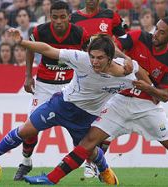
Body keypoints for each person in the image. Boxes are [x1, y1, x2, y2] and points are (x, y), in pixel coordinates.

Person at [22, 17, 168, 187]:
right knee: (89, 141)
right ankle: (51, 178)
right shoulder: (139, 36)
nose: (156, 34)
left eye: (162, 32)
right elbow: (113, 46)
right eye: (156, 28)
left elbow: (164, 96)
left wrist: (147, 87)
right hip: (120, 101)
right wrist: (126, 58)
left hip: (147, 107)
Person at [0, 30, 145, 186]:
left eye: (99, 58)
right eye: (92, 57)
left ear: (110, 58)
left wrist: (137, 71)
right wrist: (22, 42)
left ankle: (104, 169)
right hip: (62, 104)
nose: (94, 62)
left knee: (89, 152)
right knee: (26, 130)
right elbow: (47, 50)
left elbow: (145, 78)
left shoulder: (127, 72)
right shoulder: (81, 59)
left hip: (86, 116)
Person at [12, 1, 90, 181]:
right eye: (54, 17)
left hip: (71, 87)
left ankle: (94, 166)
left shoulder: (80, 34)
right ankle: (26, 161)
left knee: (82, 133)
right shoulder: (41, 31)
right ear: (50, 17)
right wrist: (28, 75)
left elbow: (90, 56)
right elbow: (30, 49)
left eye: (63, 17)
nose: (59, 21)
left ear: (69, 17)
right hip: (45, 86)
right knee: (29, 129)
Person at [70, 0, 127, 177]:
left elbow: (124, 38)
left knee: (106, 123)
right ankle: (92, 160)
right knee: (85, 123)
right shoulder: (74, 18)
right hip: (87, 76)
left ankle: (91, 164)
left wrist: (121, 57)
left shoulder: (110, 15)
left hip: (110, 75)